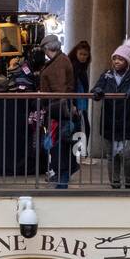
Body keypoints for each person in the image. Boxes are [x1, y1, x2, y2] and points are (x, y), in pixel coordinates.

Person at [90, 37, 130, 189]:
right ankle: (115, 182)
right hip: (110, 120)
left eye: (120, 59)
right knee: (111, 155)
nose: (117, 61)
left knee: (127, 154)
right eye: (115, 58)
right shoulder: (107, 74)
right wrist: (98, 91)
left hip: (129, 119)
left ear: (128, 61)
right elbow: (96, 88)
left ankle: (129, 181)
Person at [38, 33, 77, 188]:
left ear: (47, 48)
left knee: (59, 147)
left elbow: (59, 88)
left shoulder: (58, 63)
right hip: (60, 109)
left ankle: (62, 181)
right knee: (59, 146)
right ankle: (61, 178)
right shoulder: (60, 60)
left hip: (59, 111)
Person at [68, 40, 91, 140]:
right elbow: (70, 86)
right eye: (81, 54)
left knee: (81, 130)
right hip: (77, 104)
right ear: (76, 53)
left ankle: (79, 154)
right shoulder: (74, 66)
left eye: (85, 54)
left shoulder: (81, 67)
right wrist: (72, 104)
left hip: (81, 103)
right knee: (81, 130)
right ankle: (79, 154)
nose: (83, 57)